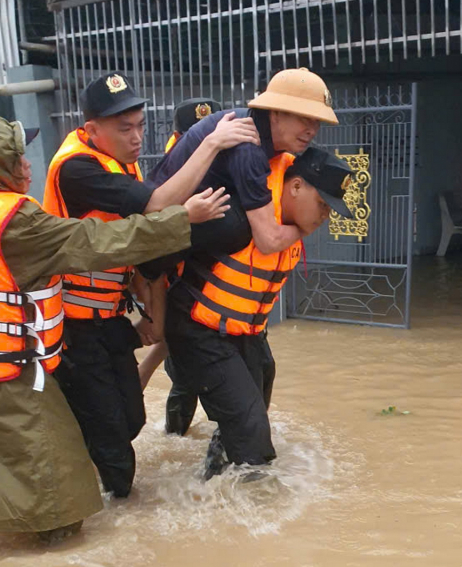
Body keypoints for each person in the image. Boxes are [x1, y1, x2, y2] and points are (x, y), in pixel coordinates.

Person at [0, 114, 228, 539]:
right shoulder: (13, 222)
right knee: (59, 496)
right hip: (16, 375)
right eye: (16, 158)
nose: (28, 165)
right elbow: (96, 242)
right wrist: (181, 218)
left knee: (0, 460)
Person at [41, 73, 258, 499]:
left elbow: (141, 250)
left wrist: (151, 315)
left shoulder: (122, 163)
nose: (137, 137)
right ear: (92, 130)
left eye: (141, 126)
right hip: (74, 324)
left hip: (110, 319)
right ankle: (112, 506)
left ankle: (85, 462)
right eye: (125, 129)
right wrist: (212, 144)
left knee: (131, 419)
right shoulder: (77, 169)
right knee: (113, 440)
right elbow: (157, 206)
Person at [142, 68, 339, 437]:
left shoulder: (265, 145)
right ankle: (175, 436)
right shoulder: (248, 146)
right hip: (165, 258)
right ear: (275, 112)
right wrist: (306, 225)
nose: (312, 129)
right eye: (304, 118)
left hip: (196, 266)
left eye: (317, 122)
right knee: (191, 385)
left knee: (259, 375)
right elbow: (267, 239)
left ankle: (207, 444)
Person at [136, 97, 224, 392]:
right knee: (184, 375)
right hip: (176, 279)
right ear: (178, 138)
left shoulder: (229, 165)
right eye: (194, 138)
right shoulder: (169, 177)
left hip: (214, 282)